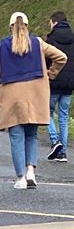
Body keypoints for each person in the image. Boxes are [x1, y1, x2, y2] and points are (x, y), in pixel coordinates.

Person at [0, 11, 67, 189]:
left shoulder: (4, 45)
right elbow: (62, 57)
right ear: (27, 26)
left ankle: (20, 177)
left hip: (12, 96)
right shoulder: (38, 43)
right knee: (31, 135)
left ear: (10, 27)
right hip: (36, 95)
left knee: (16, 137)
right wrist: (49, 74)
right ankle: (31, 172)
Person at [46, 10, 74, 163]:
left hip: (53, 81)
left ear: (54, 22)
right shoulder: (73, 38)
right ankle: (63, 152)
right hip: (69, 83)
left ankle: (55, 140)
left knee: (47, 112)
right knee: (63, 116)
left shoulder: (51, 39)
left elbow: (46, 60)